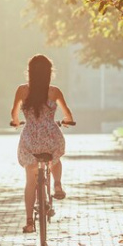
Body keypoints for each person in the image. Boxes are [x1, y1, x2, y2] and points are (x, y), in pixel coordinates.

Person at [10, 54, 75, 234]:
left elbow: (14, 113)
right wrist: (68, 120)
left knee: (30, 181)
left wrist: (16, 122)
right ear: (49, 72)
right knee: (55, 158)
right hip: (51, 138)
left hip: (30, 140)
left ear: (29, 72)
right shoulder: (54, 92)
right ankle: (58, 184)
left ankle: (29, 221)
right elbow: (67, 113)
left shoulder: (22, 91)